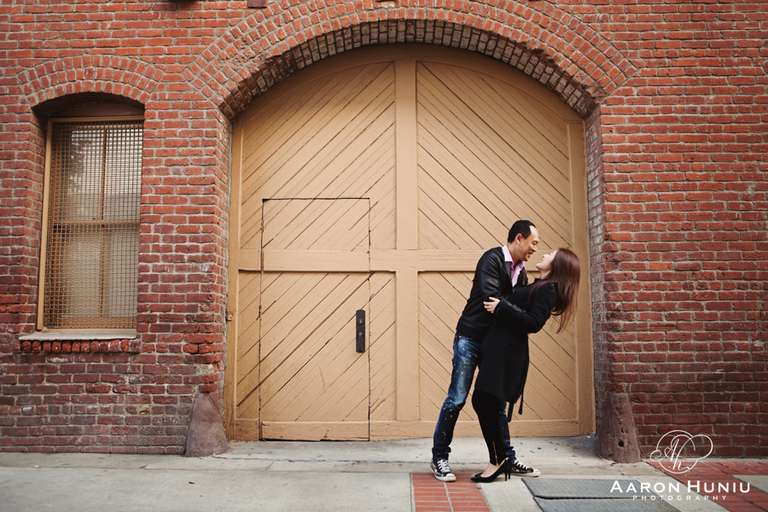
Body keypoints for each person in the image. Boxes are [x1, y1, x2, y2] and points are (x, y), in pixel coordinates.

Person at [430, 220, 539, 482]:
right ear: (519, 238)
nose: (535, 248)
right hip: (470, 338)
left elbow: (514, 308)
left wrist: (510, 310)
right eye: (534, 242)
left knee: (497, 402)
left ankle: (506, 458)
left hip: (495, 343)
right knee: (457, 398)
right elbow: (492, 298)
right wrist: (511, 310)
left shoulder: (522, 273)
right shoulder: (492, 259)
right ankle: (439, 457)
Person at [469, 248, 581, 482]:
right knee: (487, 403)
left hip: (507, 353)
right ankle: (501, 458)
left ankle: (497, 461)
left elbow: (534, 323)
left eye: (552, 254)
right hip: (499, 350)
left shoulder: (549, 290)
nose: (545, 254)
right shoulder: (538, 285)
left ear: (559, 264)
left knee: (482, 401)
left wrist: (501, 307)